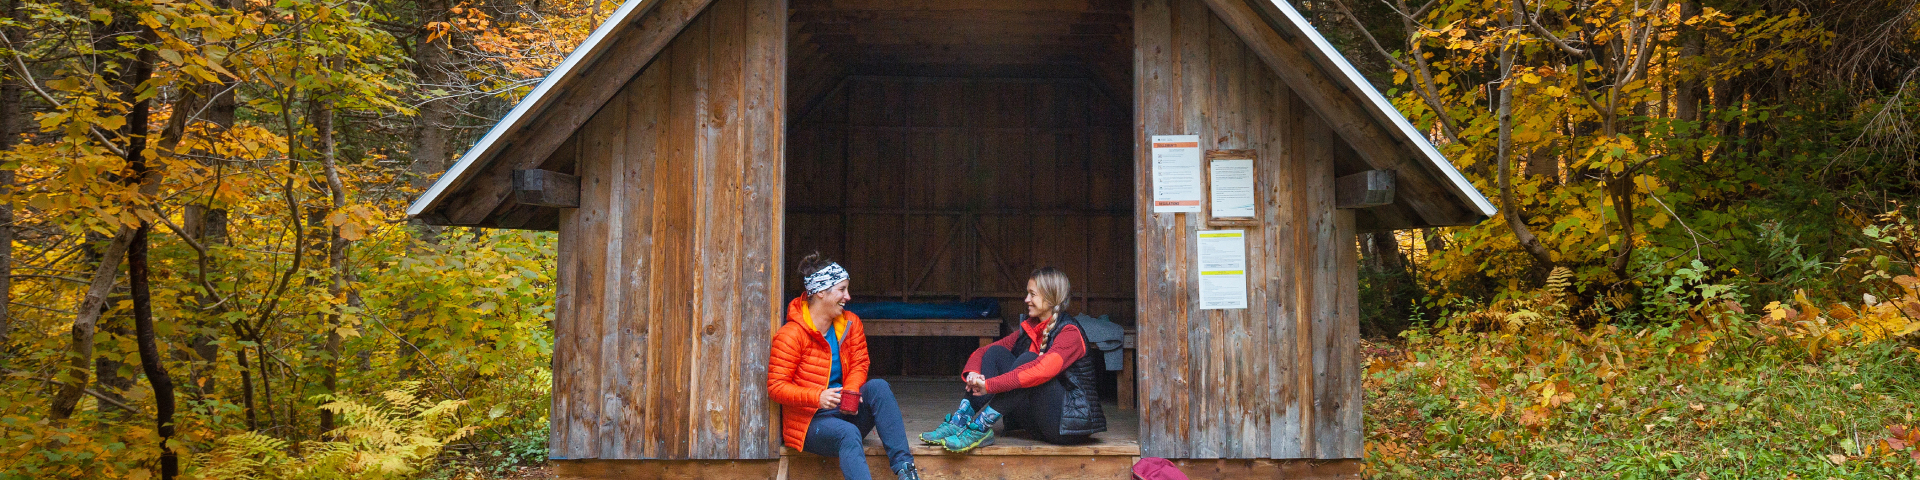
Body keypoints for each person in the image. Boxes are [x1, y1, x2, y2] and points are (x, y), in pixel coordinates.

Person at [921, 267, 1107, 452]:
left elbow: (1041, 371)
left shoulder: (1069, 333)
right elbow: (984, 352)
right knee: (995, 354)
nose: (1027, 300)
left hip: (1066, 427)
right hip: (1036, 423)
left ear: (1050, 298)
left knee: (1029, 361)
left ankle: (979, 427)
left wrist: (991, 385)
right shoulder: (1031, 328)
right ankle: (960, 420)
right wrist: (974, 374)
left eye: (1032, 294)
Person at [768, 253, 919, 480]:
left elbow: (860, 362)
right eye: (842, 289)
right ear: (820, 292)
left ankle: (906, 470)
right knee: (848, 433)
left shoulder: (850, 324)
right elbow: (776, 387)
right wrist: (817, 397)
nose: (847, 296)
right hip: (810, 423)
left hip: (844, 411)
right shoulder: (791, 335)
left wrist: (851, 389)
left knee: (878, 387)